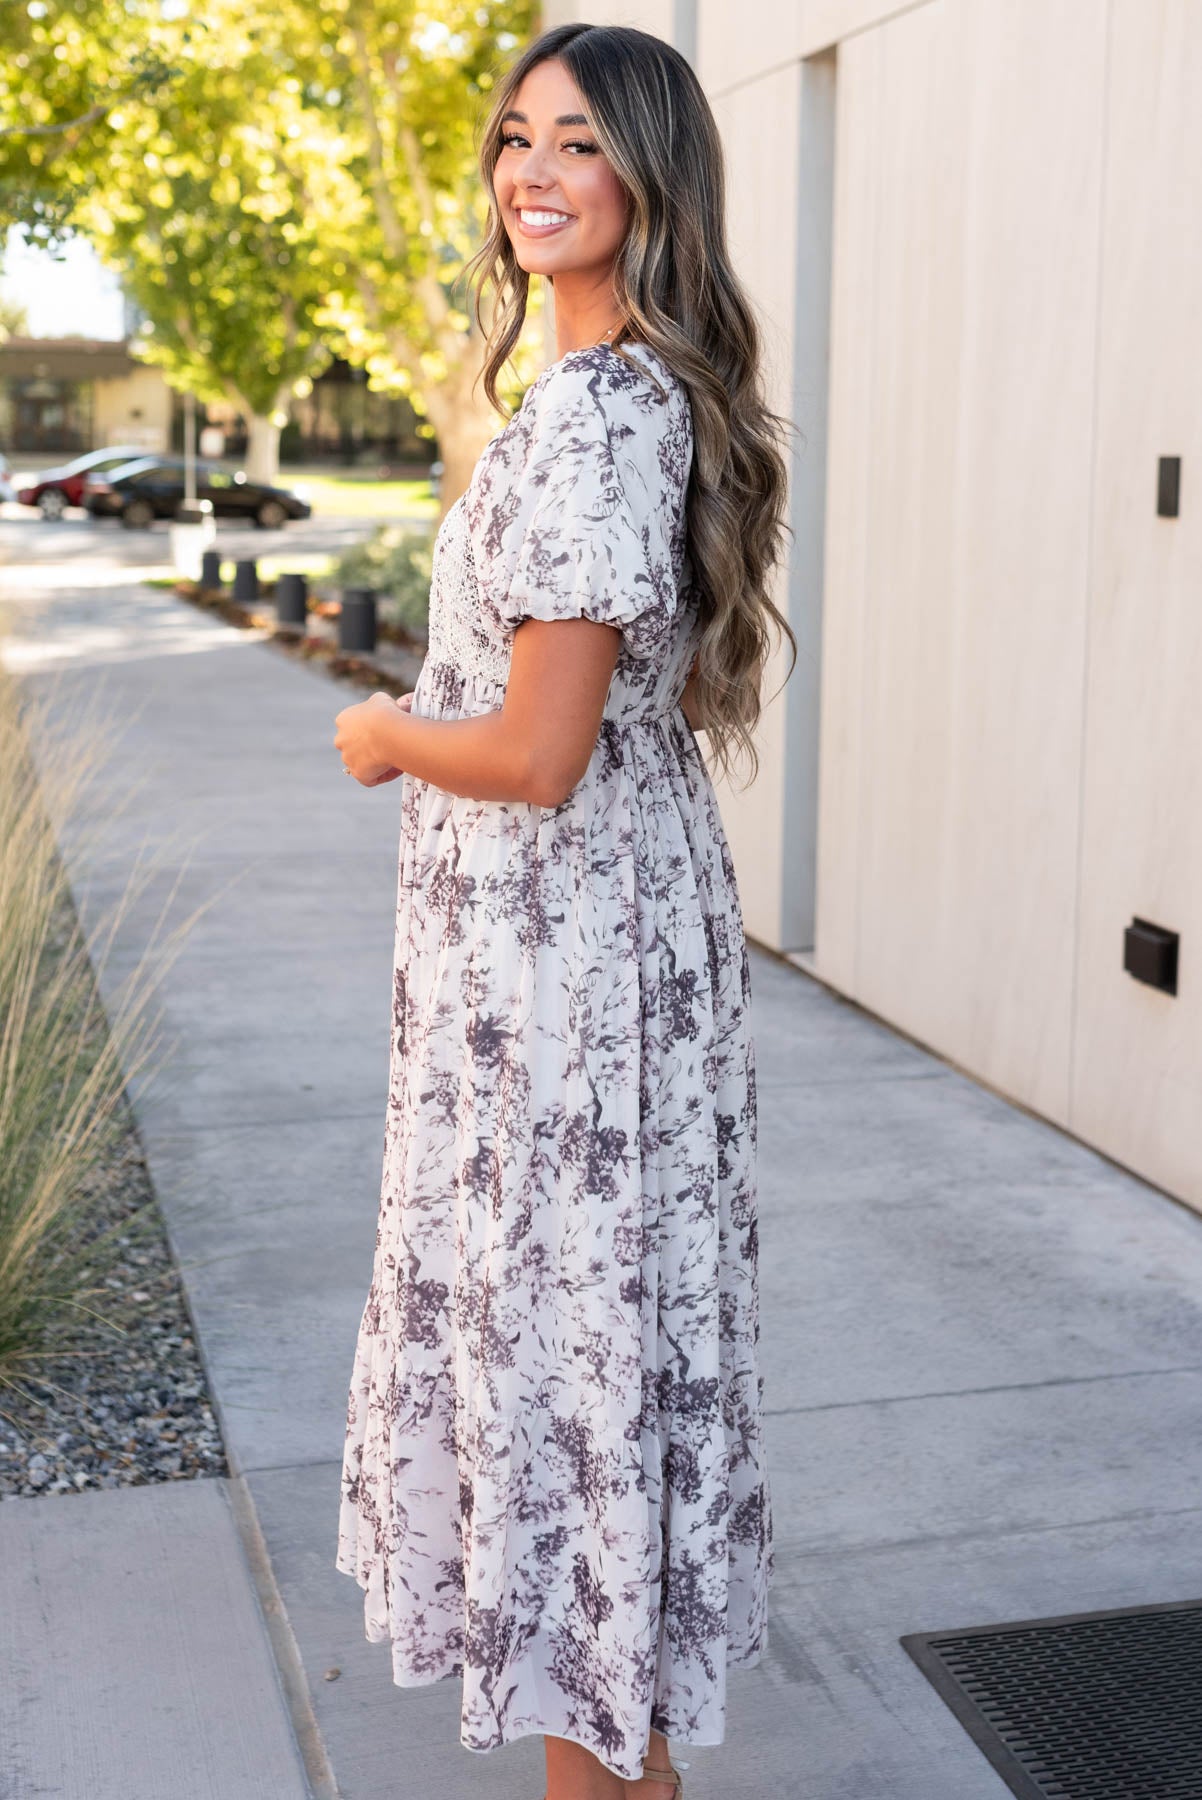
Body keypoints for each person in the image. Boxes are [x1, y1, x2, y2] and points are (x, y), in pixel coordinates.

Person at [332, 22, 796, 1800]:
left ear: (649, 179)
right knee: (587, 1369)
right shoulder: (605, 393)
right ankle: (623, 1759)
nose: (531, 169)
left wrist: (383, 731)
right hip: (580, 943)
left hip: (561, 969)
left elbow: (536, 753)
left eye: (577, 142)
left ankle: (608, 1773)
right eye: (515, 136)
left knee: (564, 1370)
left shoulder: (603, 417)